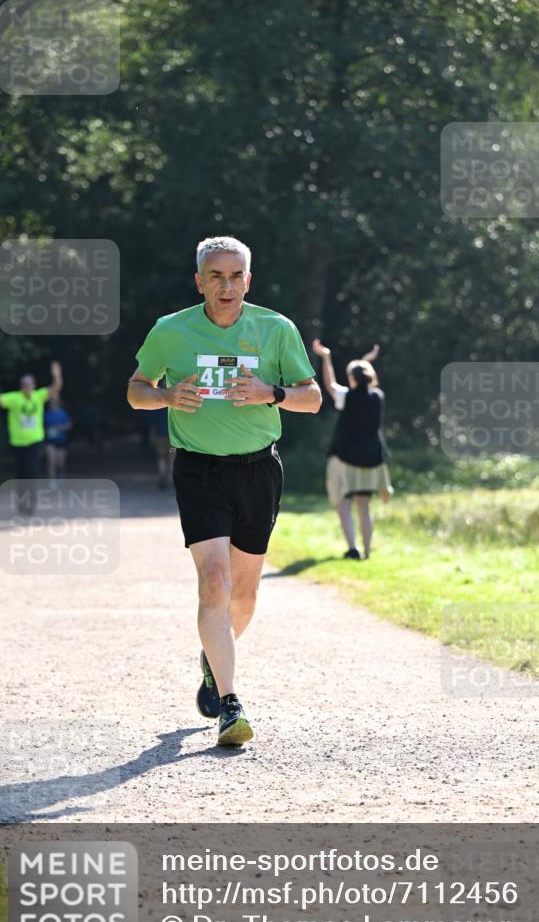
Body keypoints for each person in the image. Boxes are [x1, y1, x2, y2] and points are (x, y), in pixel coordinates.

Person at [127, 236, 320, 747]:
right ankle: (231, 705)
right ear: (200, 281)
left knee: (244, 594)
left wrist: (271, 393)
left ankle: (214, 660)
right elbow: (136, 390)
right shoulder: (170, 330)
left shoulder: (276, 329)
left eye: (236, 276)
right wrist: (167, 395)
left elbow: (313, 398)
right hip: (198, 470)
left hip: (259, 471)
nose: (226, 285)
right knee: (214, 581)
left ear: (248, 281)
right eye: (216, 276)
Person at [312, 339, 393, 560]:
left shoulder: (346, 397)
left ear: (352, 378)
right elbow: (367, 380)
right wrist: (367, 361)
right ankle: (367, 552)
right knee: (364, 508)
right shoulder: (378, 397)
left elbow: (330, 385)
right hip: (371, 459)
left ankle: (352, 548)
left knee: (343, 504)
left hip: (345, 458)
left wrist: (326, 357)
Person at [0, 362, 63, 511]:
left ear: (34, 385)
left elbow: (56, 388)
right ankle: (22, 501)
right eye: (24, 384)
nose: (26, 386)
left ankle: (31, 502)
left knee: (31, 471)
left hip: (35, 441)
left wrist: (57, 375)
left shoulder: (39, 396)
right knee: (21, 473)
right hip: (18, 442)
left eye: (29, 384)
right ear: (21, 386)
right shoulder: (15, 398)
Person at [44, 395, 72, 489]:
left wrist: (60, 428)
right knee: (51, 460)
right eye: (51, 401)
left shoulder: (62, 413)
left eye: (54, 401)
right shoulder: (45, 414)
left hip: (61, 441)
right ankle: (51, 481)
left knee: (60, 462)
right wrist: (46, 430)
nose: (53, 403)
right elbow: (41, 426)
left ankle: (61, 473)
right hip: (50, 441)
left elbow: (69, 425)